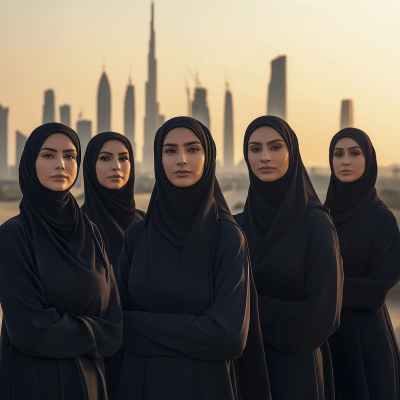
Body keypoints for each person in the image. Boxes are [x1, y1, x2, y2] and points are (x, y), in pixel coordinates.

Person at [115, 116, 271, 400]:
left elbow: (229, 337)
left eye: (193, 149)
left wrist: (140, 326)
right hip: (139, 385)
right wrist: (196, 329)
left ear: (208, 157)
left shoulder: (228, 238)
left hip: (205, 386)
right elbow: (113, 322)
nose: (181, 159)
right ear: (158, 159)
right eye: (170, 150)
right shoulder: (137, 235)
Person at [0, 123, 123, 400]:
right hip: (34, 385)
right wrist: (94, 333)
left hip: (92, 385)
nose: (61, 164)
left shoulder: (90, 232)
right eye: (48, 155)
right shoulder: (13, 236)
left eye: (70, 156)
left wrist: (66, 329)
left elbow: (114, 326)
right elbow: (28, 330)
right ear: (30, 163)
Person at [235, 115, 343, 400]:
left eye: (275, 147)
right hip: (242, 368)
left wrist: (249, 313)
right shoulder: (236, 227)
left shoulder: (316, 225)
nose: (265, 157)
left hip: (296, 369)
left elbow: (322, 315)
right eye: (255, 149)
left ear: (291, 153)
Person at [325, 127, 400, 399]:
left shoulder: (382, 221)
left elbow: (374, 294)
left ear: (368, 161)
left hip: (365, 344)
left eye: (354, 153)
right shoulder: (321, 218)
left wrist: (318, 291)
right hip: (324, 341)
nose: (345, 161)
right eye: (338, 154)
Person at [82, 131, 144, 269]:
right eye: (105, 158)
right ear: (91, 165)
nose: (116, 166)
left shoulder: (146, 223)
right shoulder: (76, 226)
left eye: (123, 158)